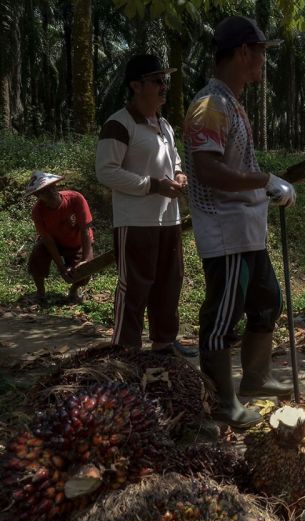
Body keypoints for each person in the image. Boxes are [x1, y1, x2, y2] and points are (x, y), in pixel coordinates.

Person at [183, 15, 296, 428]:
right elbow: (210, 171)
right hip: (226, 230)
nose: (264, 61)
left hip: (248, 227)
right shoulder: (210, 106)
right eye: (262, 52)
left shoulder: (230, 102)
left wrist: (262, 185)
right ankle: (221, 402)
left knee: (267, 301)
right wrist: (264, 180)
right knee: (222, 319)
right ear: (244, 52)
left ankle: (255, 377)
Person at [96, 54, 188, 354]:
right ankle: (126, 351)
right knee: (134, 287)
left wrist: (178, 174)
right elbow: (106, 171)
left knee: (168, 285)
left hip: (168, 220)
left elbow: (173, 160)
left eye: (165, 80)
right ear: (136, 86)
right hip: (135, 222)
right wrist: (152, 185)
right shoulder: (119, 124)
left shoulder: (164, 125)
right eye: (157, 81)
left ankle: (164, 343)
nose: (164, 86)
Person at [25, 171, 94, 304]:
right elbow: (47, 240)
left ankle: (74, 291)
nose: (50, 192)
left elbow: (85, 230)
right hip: (55, 242)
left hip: (77, 241)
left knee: (86, 269)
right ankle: (40, 293)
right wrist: (61, 267)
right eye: (44, 191)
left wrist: (85, 260)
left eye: (51, 187)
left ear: (56, 186)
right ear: (37, 196)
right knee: (37, 255)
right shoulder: (38, 212)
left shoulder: (75, 198)